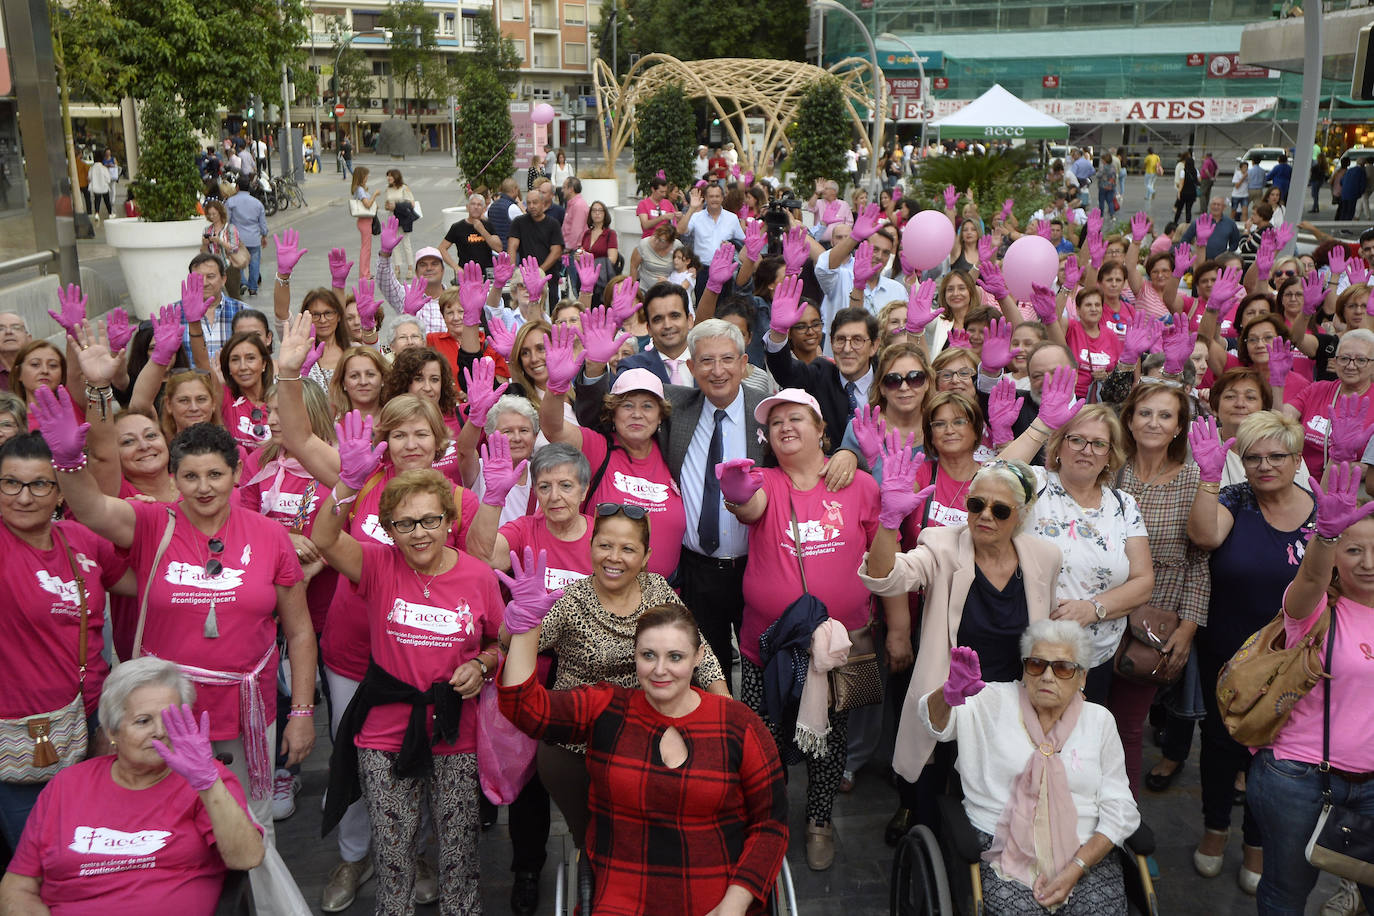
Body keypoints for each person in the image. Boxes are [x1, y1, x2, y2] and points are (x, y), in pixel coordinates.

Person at [34, 409, 316, 913]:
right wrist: (68, 462)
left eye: (215, 474)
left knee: (251, 820)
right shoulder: (147, 523)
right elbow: (91, 508)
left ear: (236, 473)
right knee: (163, 819)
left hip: (245, 710)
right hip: (158, 717)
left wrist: (301, 713)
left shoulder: (269, 536)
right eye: (190, 475)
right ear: (174, 477)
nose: (203, 487)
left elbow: (298, 630)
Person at [501, 585, 788, 915]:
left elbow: (770, 824)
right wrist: (524, 630)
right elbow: (526, 710)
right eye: (648, 655)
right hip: (623, 895)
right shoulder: (606, 708)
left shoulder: (740, 724)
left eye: (675, 657)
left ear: (698, 658)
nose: (660, 669)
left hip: (719, 898)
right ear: (634, 654)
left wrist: (733, 905)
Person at [312, 465, 501, 915]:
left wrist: (481, 664)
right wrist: (345, 486)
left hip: (456, 733)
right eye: (405, 523)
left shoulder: (478, 576)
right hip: (385, 731)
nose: (420, 533)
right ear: (389, 529)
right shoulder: (376, 565)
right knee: (394, 855)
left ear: (450, 521)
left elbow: (499, 641)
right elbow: (323, 539)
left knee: (459, 853)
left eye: (431, 520)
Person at [716, 388, 880, 870]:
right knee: (763, 740)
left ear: (822, 429)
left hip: (836, 647)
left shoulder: (859, 485)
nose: (785, 427)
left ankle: (819, 822)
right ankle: (767, 821)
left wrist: (895, 626)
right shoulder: (764, 478)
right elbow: (748, 507)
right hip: (767, 646)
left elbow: (881, 556)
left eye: (797, 418)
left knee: (828, 742)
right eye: (776, 422)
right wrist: (735, 491)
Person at [859, 456, 1063, 840]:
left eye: (1000, 510)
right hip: (947, 698)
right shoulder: (941, 544)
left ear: (1019, 516)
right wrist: (888, 524)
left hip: (1009, 706)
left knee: (994, 806)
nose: (985, 515)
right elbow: (885, 579)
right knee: (931, 794)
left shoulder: (1045, 557)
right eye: (976, 504)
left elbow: (1045, 633)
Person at [511, 504, 727, 848]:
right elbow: (521, 645)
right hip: (576, 747)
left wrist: (725, 706)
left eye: (628, 549)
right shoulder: (571, 600)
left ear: (645, 556)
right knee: (596, 843)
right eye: (605, 545)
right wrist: (520, 620)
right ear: (591, 546)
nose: (614, 558)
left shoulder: (656, 590)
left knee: (645, 842)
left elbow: (697, 648)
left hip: (644, 743)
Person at [0, 659, 265, 911]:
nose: (160, 731)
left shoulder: (205, 779)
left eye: (171, 719)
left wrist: (207, 782)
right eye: (143, 721)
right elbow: (19, 885)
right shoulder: (67, 786)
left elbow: (248, 858)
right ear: (112, 731)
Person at [919, 625, 1141, 915]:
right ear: (1025, 669)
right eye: (1036, 664)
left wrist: (1078, 865)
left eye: (1062, 668)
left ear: (1083, 676)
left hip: (1084, 849)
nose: (1047, 676)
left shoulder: (1099, 721)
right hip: (1002, 844)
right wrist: (949, 695)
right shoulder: (993, 700)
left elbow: (1120, 806)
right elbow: (935, 723)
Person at [1186, 410, 1314, 894]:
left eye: (1276, 456)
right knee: (1221, 745)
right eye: (1253, 456)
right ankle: (1216, 829)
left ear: (1297, 459)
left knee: (1278, 752)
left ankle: (1257, 841)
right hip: (1228, 648)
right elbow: (1204, 536)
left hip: (1294, 659)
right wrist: (1208, 477)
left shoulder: (1322, 510)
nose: (1264, 465)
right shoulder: (1235, 499)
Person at [1244, 462, 1374, 915]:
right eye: (1354, 550)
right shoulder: (1314, 611)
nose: (1368, 563)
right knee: (1287, 891)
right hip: (1301, 778)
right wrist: (1327, 536)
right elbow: (1312, 579)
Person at [0, 433, 131, 845]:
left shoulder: (82, 539)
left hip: (92, 722)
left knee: (95, 845)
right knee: (38, 855)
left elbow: (147, 585)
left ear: (60, 494)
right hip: (15, 736)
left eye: (40, 484)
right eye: (10, 483)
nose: (24, 497)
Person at [997, 388, 1155, 702]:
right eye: (1077, 439)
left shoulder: (1124, 505)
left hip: (1092, 659)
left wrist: (1092, 609)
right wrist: (1041, 424)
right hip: (1024, 648)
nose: (1087, 450)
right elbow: (991, 478)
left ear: (1111, 455)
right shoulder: (1036, 484)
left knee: (1076, 747)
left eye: (1099, 444)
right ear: (1059, 446)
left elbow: (1143, 581)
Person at [538, 330, 687, 576]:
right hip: (602, 590)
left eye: (647, 406)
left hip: (662, 599)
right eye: (627, 405)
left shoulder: (673, 454)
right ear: (613, 414)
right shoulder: (598, 448)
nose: (637, 414)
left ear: (660, 415)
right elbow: (554, 429)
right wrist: (556, 387)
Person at [1280, 328, 1374, 479]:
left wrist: (1355, 468)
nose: (1350, 366)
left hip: (1349, 491)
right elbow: (1280, 421)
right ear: (1334, 361)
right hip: (1300, 482)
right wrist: (1278, 384)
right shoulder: (1318, 389)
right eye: (1344, 358)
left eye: (1361, 360)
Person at [218, 331, 273, 449]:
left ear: (264, 363)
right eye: (235, 360)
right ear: (228, 367)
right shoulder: (224, 396)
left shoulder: (280, 399)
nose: (243, 367)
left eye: (250, 358)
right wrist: (195, 326)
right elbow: (202, 362)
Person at [440, 193, 502, 280]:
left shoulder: (488, 225)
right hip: (466, 274)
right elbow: (442, 249)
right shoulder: (457, 227)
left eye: (479, 205)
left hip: (486, 274)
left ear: (484, 209)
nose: (476, 207)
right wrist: (456, 267)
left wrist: (482, 230)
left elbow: (498, 248)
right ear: (467, 207)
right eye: (473, 204)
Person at [225, 179, 267, 297]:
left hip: (237, 239)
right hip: (254, 238)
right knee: (254, 263)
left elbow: (226, 220)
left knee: (238, 261)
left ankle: (242, 282)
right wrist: (264, 235)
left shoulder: (230, 202)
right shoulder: (257, 203)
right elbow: (262, 223)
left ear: (237, 187)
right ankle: (253, 288)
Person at [381, 170, 418, 278]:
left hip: (404, 218)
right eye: (387, 176)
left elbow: (411, 204)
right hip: (392, 218)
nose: (388, 178)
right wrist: (388, 207)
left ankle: (410, 268)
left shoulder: (404, 188)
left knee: (406, 243)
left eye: (391, 176)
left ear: (396, 177)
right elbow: (387, 204)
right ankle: (397, 267)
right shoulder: (388, 189)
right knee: (394, 244)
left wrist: (396, 206)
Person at [350, 168, 383, 279]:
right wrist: (375, 195)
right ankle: (364, 274)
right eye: (366, 176)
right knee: (365, 248)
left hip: (365, 220)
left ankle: (366, 272)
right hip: (364, 221)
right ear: (361, 177)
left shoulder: (360, 189)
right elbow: (367, 204)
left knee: (367, 248)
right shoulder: (359, 190)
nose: (367, 178)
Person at [0, 312, 31, 393]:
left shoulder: (42, 369)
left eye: (16, 327)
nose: (8, 332)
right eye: (1, 329)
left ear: (29, 339)